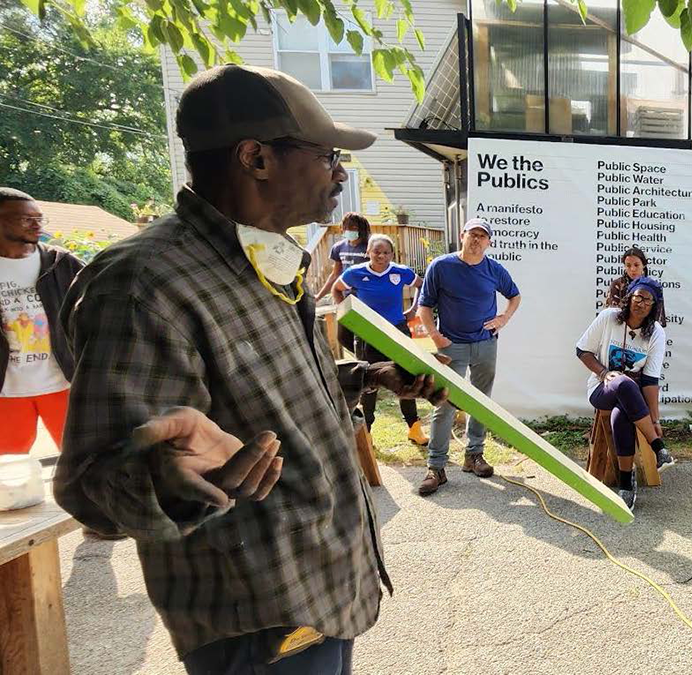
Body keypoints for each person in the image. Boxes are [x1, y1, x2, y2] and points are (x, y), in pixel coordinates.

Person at [52, 64, 447, 673]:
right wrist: (172, 478)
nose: (341, 172)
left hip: (321, 587)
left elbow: (272, 381)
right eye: (327, 155)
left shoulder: (262, 256)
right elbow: (91, 483)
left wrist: (369, 377)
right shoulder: (146, 283)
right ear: (256, 157)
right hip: (256, 616)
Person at [416, 217, 521, 496]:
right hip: (452, 347)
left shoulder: (493, 269)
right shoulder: (442, 266)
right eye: (472, 234)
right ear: (462, 236)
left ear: (489, 242)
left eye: (482, 236)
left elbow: (515, 296)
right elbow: (424, 306)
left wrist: (504, 318)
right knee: (444, 404)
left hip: (486, 344)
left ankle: (474, 455)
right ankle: (435, 467)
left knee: (480, 402)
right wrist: (435, 336)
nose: (476, 239)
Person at [577, 277, 673, 509]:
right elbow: (582, 350)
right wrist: (603, 372)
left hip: (633, 398)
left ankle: (625, 484)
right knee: (624, 383)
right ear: (629, 297)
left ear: (654, 306)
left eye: (647, 300)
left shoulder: (656, 333)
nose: (640, 303)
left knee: (621, 417)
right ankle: (658, 447)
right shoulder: (608, 318)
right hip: (601, 388)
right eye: (637, 296)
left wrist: (655, 418)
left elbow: (650, 381)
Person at [0, 188, 84, 455]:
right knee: (9, 471)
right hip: (6, 391)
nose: (36, 224)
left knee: (82, 458)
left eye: (39, 218)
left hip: (64, 382)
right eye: (26, 219)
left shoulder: (62, 263)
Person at [333, 232, 429, 446]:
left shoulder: (401, 272)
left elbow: (422, 285)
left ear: (392, 254)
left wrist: (413, 310)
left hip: (397, 330)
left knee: (407, 376)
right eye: (377, 251)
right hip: (368, 333)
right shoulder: (355, 273)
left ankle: (414, 428)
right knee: (367, 380)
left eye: (386, 252)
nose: (381, 256)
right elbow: (337, 289)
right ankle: (366, 433)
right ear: (368, 252)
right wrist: (345, 312)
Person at [315, 211, 371, 353]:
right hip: (345, 298)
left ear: (361, 229)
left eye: (353, 227)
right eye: (346, 227)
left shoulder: (370, 247)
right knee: (344, 337)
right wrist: (318, 296)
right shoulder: (339, 248)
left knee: (366, 336)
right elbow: (335, 275)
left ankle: (367, 361)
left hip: (367, 299)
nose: (349, 230)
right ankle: (361, 358)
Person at [605, 246, 667, 325]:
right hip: (619, 330)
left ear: (643, 265)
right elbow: (610, 316)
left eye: (636, 265)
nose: (632, 269)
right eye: (628, 265)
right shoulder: (617, 285)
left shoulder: (653, 287)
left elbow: (658, 319)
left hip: (646, 331)